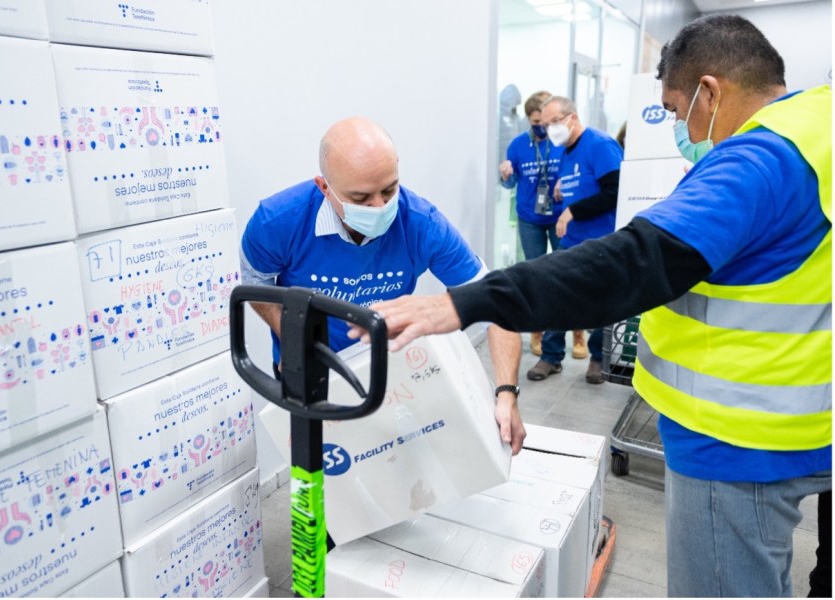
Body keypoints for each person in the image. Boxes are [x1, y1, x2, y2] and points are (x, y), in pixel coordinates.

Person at [349, 15, 831, 598]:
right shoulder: (819, 124)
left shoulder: (758, 161)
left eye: (677, 112)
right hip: (811, 417)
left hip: (740, 439)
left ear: (710, 91)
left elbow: (636, 262)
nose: (679, 127)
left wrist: (465, 303)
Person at [240, 116, 526, 456]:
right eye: (361, 198)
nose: (380, 207)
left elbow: (496, 304)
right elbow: (255, 283)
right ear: (324, 187)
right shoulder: (278, 221)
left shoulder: (422, 224)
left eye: (389, 189)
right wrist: (292, 339)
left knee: (391, 467)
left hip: (388, 369)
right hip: (309, 370)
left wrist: (507, 392)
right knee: (326, 474)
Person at [532, 95, 622, 384]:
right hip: (572, 240)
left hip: (602, 239)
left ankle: (597, 358)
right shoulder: (564, 152)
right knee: (557, 295)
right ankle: (551, 356)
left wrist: (573, 210)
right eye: (545, 125)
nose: (549, 130)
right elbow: (580, 183)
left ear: (572, 118)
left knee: (601, 301)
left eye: (554, 122)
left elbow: (614, 192)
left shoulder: (600, 145)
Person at [499, 91, 561, 366]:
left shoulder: (561, 141)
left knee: (565, 273)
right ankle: (538, 331)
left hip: (561, 217)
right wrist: (506, 175)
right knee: (535, 276)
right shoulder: (517, 145)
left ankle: (579, 333)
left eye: (545, 122)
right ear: (528, 119)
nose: (541, 127)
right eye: (535, 122)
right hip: (529, 218)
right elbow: (509, 186)